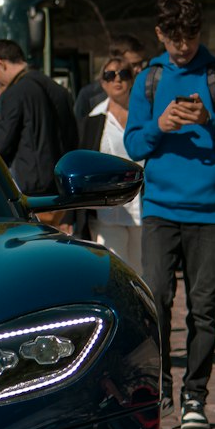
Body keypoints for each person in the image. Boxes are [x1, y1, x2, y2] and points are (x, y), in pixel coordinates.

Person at [123, 0, 215, 429]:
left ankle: (195, 395)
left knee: (204, 310)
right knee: (158, 300)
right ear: (159, 34)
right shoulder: (148, 78)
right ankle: (161, 383)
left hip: (213, 212)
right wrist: (159, 126)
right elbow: (132, 145)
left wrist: (209, 121)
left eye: (190, 36)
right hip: (162, 210)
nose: (182, 46)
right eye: (174, 38)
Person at [0, 40, 77, 222]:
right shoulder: (58, 89)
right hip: (61, 188)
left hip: (32, 192)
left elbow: (1, 143)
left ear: (1, 64)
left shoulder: (16, 92)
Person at [77, 55, 144, 275]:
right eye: (110, 75)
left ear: (132, 79)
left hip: (142, 209)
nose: (117, 79)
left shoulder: (145, 115)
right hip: (107, 211)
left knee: (144, 274)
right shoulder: (93, 119)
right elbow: (83, 165)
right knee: (115, 273)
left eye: (123, 74)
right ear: (103, 82)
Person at [74, 35, 148, 125]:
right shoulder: (89, 95)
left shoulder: (147, 92)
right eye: (134, 65)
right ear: (116, 60)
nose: (139, 69)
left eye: (141, 64)